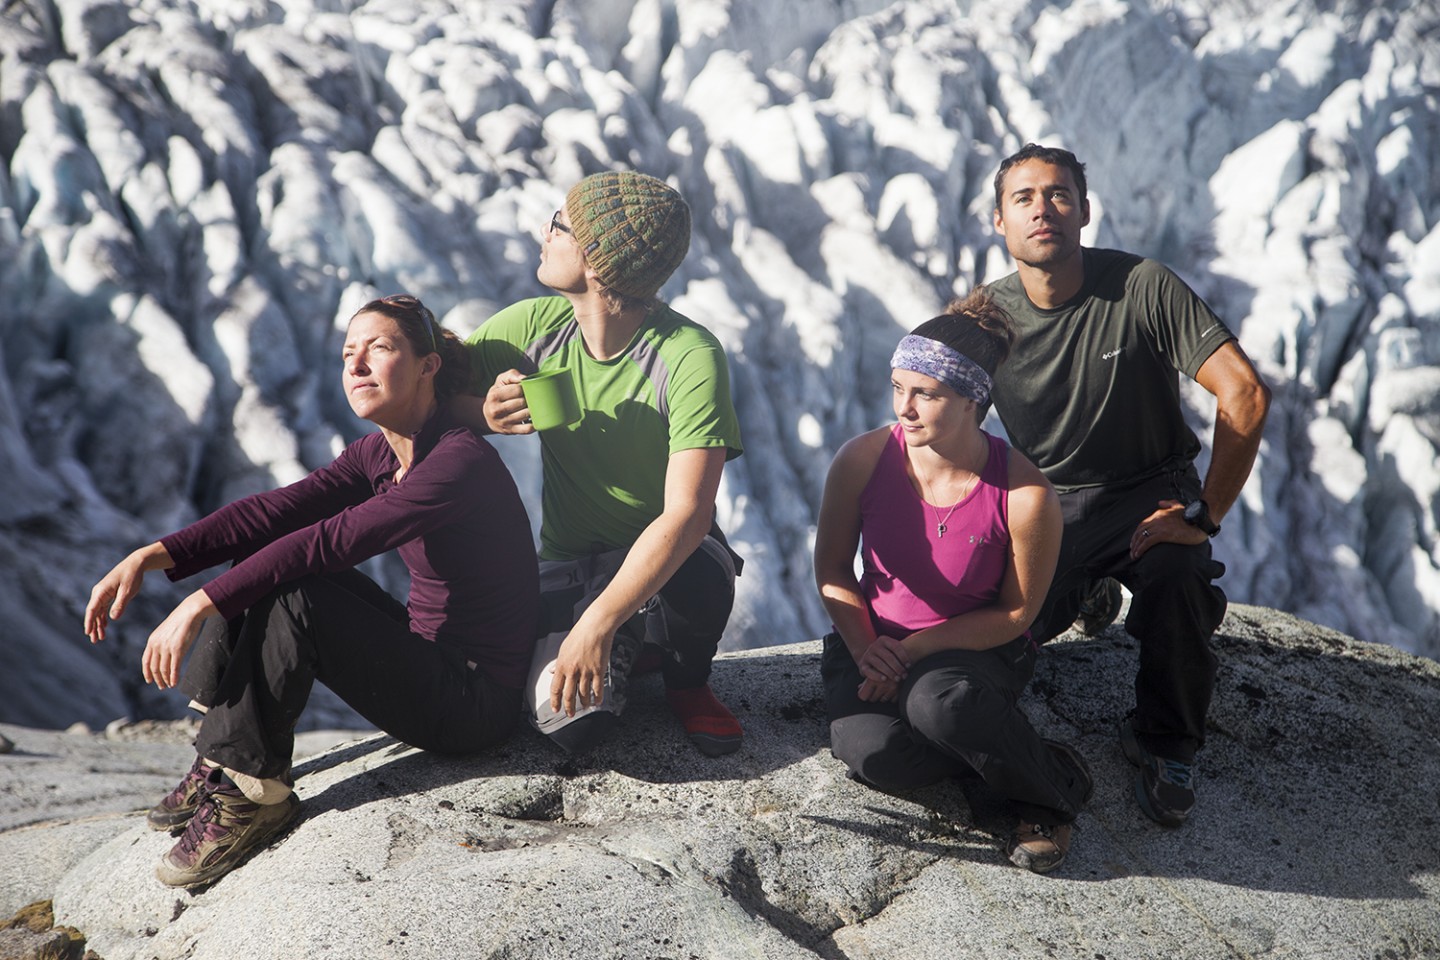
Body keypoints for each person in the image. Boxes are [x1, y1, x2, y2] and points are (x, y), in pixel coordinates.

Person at [84, 295, 539, 888]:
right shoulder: (383, 450)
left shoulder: (458, 463)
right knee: (259, 557)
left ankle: (254, 793)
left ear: (429, 365)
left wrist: (201, 601)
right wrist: (151, 557)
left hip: (471, 701)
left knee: (296, 590)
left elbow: (330, 542)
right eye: (349, 353)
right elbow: (275, 513)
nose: (357, 367)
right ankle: (217, 756)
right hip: (429, 656)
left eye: (379, 348)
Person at [986, 143, 1272, 827]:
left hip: (1150, 490)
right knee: (995, 643)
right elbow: (929, 424)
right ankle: (1085, 584)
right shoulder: (985, 320)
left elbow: (1245, 394)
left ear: (1084, 210)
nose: (1042, 209)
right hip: (1045, 505)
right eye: (1023, 198)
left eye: (1058, 194)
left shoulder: (1141, 285)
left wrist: (1203, 515)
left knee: (1177, 576)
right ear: (999, 222)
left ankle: (1165, 741)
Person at [459, 171, 745, 757]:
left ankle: (684, 682)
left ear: (596, 262)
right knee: (571, 726)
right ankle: (633, 648)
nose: (545, 231)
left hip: (669, 570)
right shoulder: (533, 329)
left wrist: (597, 623)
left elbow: (687, 516)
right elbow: (430, 385)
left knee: (702, 568)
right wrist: (478, 411)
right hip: (568, 566)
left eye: (559, 225)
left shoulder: (687, 355)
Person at [814, 291, 1093, 874]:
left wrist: (910, 652)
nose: (904, 408)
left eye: (926, 394)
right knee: (873, 755)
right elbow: (835, 569)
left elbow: (1016, 615)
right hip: (872, 642)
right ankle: (997, 753)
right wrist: (869, 651)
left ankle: (1049, 793)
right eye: (898, 387)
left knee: (939, 707)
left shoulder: (1023, 492)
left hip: (974, 652)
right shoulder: (862, 461)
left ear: (973, 400)